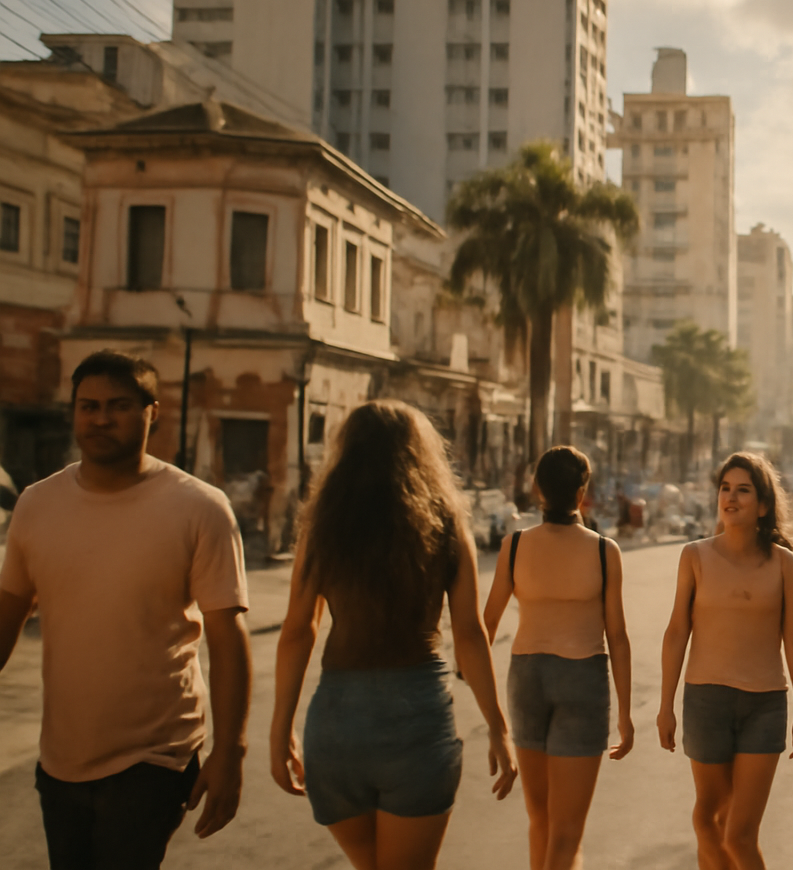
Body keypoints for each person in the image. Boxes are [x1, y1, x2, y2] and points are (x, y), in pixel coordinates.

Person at [0, 350, 252, 868]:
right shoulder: (36, 505)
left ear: (150, 413)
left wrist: (230, 753)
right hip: (61, 758)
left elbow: (229, 640)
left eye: (117, 405)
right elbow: (7, 616)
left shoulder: (198, 508)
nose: (100, 418)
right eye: (87, 406)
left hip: (154, 756)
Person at [270, 400, 515, 868]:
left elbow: (298, 630)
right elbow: (468, 632)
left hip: (336, 726)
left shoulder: (322, 528)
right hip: (416, 722)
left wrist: (280, 732)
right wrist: (499, 730)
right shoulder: (444, 524)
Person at [658, 452, 793, 870]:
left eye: (743, 490)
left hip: (764, 706)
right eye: (725, 488)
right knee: (709, 819)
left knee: (739, 834)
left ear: (763, 505)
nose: (731, 497)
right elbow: (676, 633)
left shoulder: (784, 564)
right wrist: (664, 706)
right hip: (706, 700)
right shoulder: (694, 556)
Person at [483, 446, 635, 870]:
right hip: (582, 677)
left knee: (541, 822)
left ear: (537, 489)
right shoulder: (604, 552)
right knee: (567, 832)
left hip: (526, 678)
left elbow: (487, 623)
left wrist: (478, 687)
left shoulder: (514, 547)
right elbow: (617, 637)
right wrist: (624, 712)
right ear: (583, 491)